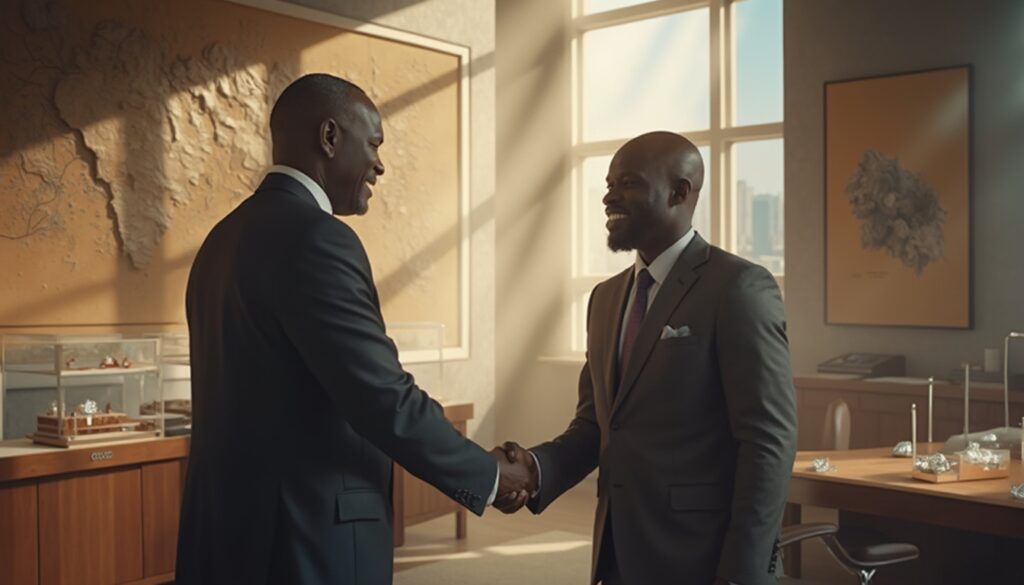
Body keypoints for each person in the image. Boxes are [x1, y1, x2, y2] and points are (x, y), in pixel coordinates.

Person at [175, 73, 534, 585]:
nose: (380, 164)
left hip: (227, 533)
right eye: (374, 143)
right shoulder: (317, 238)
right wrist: (493, 475)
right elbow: (380, 396)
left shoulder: (220, 240)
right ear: (329, 137)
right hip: (305, 538)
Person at [499, 131, 797, 585]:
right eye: (608, 183)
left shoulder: (738, 289)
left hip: (704, 559)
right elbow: (598, 425)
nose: (608, 197)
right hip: (617, 554)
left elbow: (768, 442)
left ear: (681, 192)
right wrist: (534, 470)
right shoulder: (605, 298)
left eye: (628, 183)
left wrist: (747, 571)